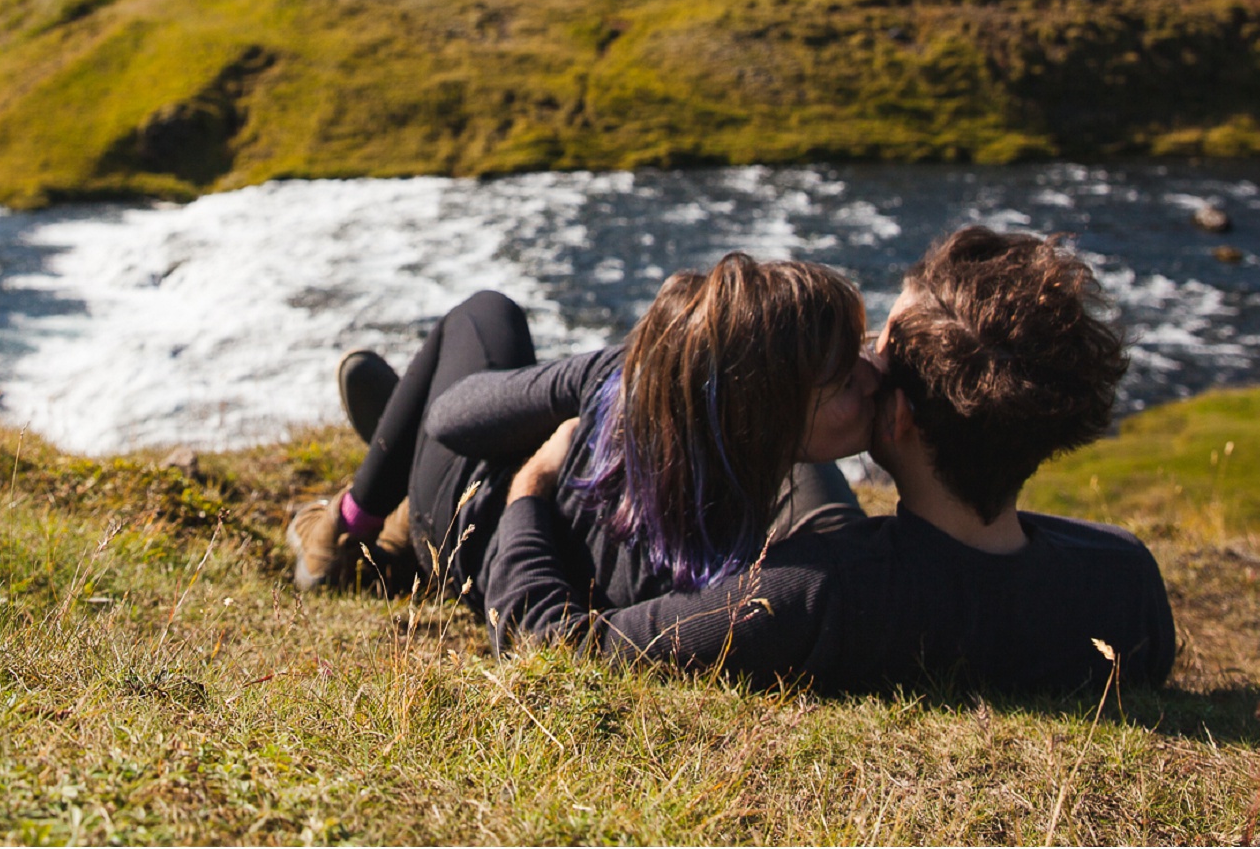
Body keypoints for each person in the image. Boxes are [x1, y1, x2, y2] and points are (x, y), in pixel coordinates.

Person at [482, 225, 1176, 695]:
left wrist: (529, 490)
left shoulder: (811, 593)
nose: (865, 357)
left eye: (878, 348)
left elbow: (549, 648)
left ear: (899, 416)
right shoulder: (1123, 576)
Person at [285, 254, 875, 615]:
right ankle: (359, 530)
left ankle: (363, 518)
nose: (875, 376)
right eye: (851, 373)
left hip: (474, 513)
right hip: (476, 490)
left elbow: (450, 416)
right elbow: (452, 419)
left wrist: (627, 368)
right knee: (484, 326)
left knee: (485, 316)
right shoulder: (716, 525)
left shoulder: (661, 419)